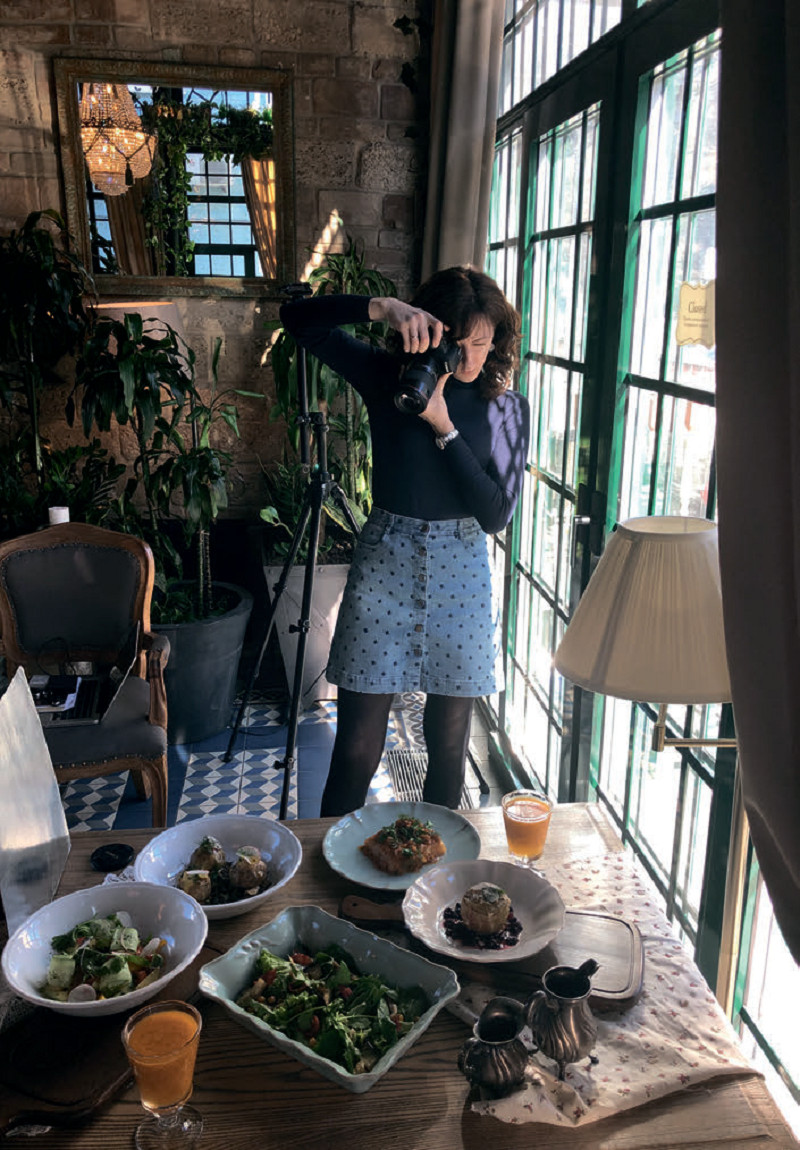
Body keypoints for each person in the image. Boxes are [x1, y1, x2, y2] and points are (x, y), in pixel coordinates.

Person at [279, 265, 529, 816]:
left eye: (483, 343)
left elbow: (495, 514)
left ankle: (434, 869)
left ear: (498, 341)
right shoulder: (387, 376)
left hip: (463, 578)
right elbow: (298, 320)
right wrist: (382, 307)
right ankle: (331, 866)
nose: (469, 358)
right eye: (458, 343)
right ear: (431, 334)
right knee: (356, 750)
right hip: (384, 569)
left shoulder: (508, 409)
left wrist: (444, 426)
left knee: (448, 748)